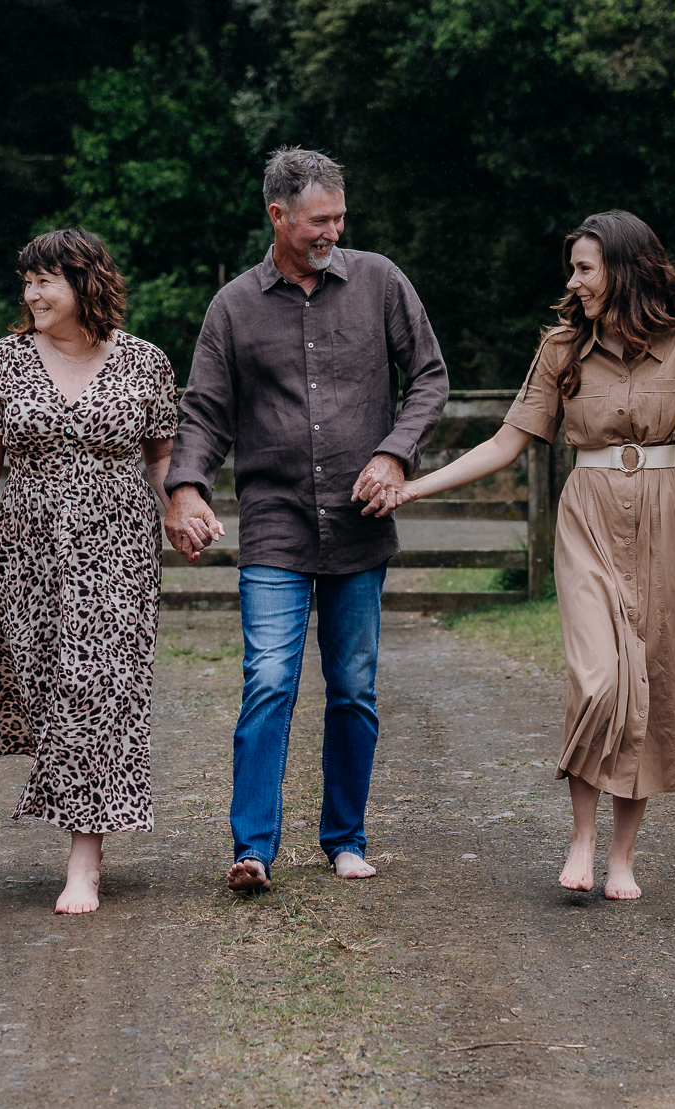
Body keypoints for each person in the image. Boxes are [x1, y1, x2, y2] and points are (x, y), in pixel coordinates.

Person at [373, 210, 675, 900]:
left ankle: (621, 856)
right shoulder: (563, 349)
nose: (575, 280)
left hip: (667, 517)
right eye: (574, 268)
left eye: (585, 267)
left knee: (646, 688)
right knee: (599, 681)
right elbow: (508, 441)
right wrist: (413, 486)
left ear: (624, 269)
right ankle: (581, 837)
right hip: (590, 516)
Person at [163, 148, 449, 893]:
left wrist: (395, 454)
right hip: (275, 526)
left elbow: (427, 377)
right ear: (278, 216)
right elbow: (204, 411)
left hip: (360, 527)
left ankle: (345, 837)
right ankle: (253, 847)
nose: (333, 230)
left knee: (353, 685)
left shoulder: (381, 281)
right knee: (268, 679)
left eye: (340, 217)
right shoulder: (233, 306)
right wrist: (186, 488)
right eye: (320, 219)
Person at [0, 230, 179, 915]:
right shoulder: (3, 362)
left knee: (96, 687)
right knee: (52, 693)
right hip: (32, 551)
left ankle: (85, 860)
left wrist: (184, 512)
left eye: (45, 280)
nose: (31, 294)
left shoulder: (145, 362)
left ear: (85, 281)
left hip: (120, 550)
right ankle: (84, 825)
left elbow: (164, 459)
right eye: (26, 281)